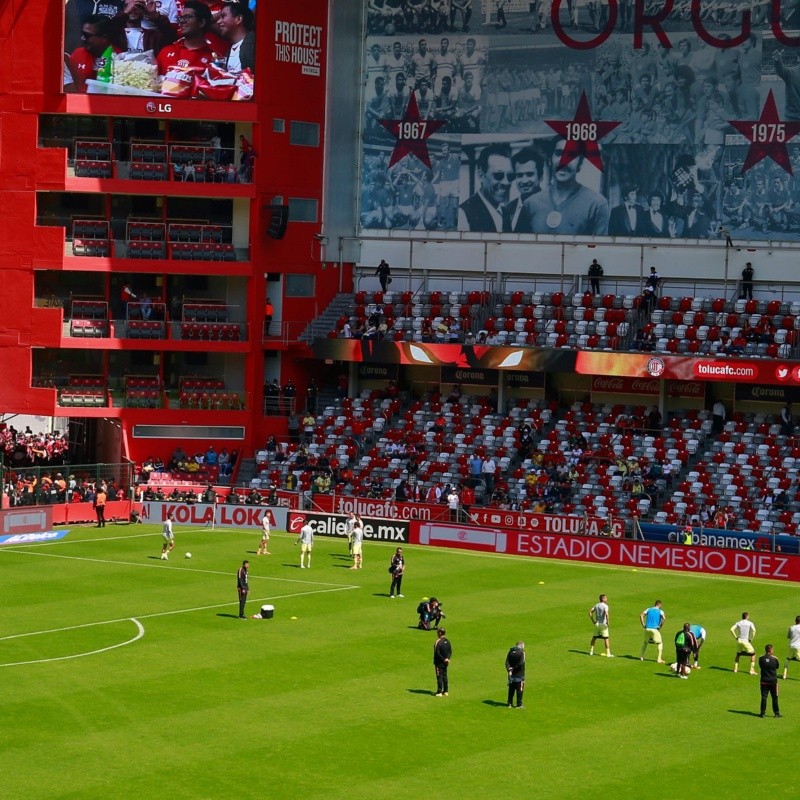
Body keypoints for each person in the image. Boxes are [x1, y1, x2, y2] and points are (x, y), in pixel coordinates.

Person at [518, 138, 609, 236]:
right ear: (549, 160)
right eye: (559, 153)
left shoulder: (596, 205)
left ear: (580, 164)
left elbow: (600, 249)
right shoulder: (530, 204)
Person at [458, 143, 514, 233]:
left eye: (510, 176)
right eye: (498, 175)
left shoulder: (505, 213)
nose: (506, 182)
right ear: (481, 176)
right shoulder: (463, 214)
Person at [156, 1, 214, 77]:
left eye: (188, 17)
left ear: (202, 23)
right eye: (181, 17)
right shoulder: (166, 51)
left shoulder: (212, 59)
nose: (182, 21)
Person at [216, 1, 255, 74]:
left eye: (223, 16)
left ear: (239, 19)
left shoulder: (255, 45)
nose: (218, 21)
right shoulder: (228, 51)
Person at [759, 644, 782, 717]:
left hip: (764, 681)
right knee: (775, 697)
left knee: (764, 697)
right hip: (773, 682)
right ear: (770, 650)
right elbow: (777, 667)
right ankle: (776, 713)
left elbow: (761, 666)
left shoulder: (761, 659)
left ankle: (762, 713)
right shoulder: (775, 659)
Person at [505, 641, 526, 708]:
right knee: (520, 689)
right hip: (519, 674)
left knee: (511, 689)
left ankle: (509, 703)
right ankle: (519, 704)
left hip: (511, 674)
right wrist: (514, 668)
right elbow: (521, 663)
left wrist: (509, 669)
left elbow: (507, 662)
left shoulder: (510, 652)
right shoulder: (521, 653)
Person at [433, 627, 452, 697]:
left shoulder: (438, 642)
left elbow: (437, 653)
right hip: (446, 662)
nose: (437, 633)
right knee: (445, 676)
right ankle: (446, 691)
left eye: (438, 632)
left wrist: (443, 659)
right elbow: (450, 651)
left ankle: (439, 691)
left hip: (439, 663)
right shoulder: (448, 641)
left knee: (439, 676)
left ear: (440, 633)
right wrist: (447, 659)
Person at [783, 615, 800, 680]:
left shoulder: (791, 627)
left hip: (791, 646)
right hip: (798, 647)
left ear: (795, 621)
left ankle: (784, 675)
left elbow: (788, 636)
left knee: (788, 659)